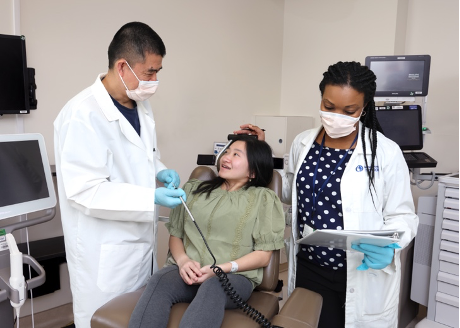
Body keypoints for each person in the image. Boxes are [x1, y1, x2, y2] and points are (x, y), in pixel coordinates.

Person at [235, 61, 419, 328]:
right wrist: (260, 153)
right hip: (309, 265)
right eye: (329, 107)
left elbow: (403, 215)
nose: (337, 116)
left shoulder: (386, 152)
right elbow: (290, 193)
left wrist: (390, 247)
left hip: (360, 269)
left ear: (364, 108)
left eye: (349, 110)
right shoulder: (303, 142)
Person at [54, 22, 186, 328]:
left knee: (141, 317)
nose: (154, 80)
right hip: (105, 254)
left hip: (139, 245)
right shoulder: (82, 115)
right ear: (123, 66)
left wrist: (160, 170)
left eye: (158, 72)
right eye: (150, 72)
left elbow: (141, 155)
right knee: (104, 321)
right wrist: (150, 196)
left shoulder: (139, 103)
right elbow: (85, 191)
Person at [128, 138, 286, 328]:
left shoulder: (264, 199)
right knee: (159, 279)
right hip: (188, 272)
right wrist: (183, 261)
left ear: (252, 170)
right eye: (226, 152)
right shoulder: (193, 189)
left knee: (214, 285)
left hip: (234, 277)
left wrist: (221, 269)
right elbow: (176, 235)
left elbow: (263, 256)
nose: (226, 157)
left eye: (236, 154)